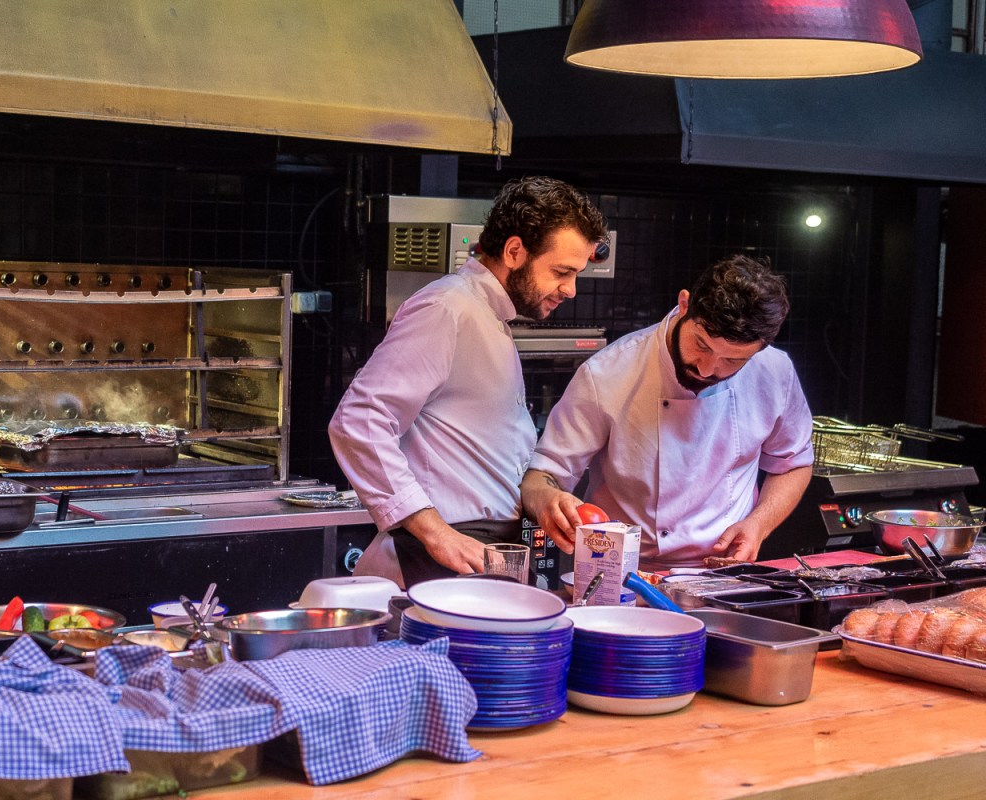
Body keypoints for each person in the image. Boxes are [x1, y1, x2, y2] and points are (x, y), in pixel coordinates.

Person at [328, 176, 609, 587]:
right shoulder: (446, 308)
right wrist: (437, 534)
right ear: (515, 251)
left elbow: (480, 463)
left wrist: (544, 499)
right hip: (437, 555)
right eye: (562, 272)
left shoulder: (488, 315)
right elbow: (359, 420)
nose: (570, 289)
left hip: (483, 551)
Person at [521, 254, 813, 571]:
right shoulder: (607, 374)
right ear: (685, 304)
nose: (707, 369)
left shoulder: (775, 371)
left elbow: (792, 463)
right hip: (623, 569)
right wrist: (549, 502)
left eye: (733, 361)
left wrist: (759, 524)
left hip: (724, 570)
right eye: (701, 344)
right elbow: (541, 477)